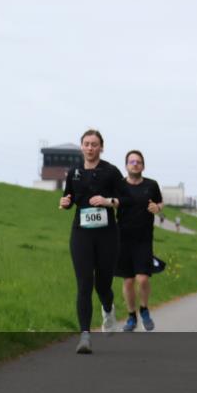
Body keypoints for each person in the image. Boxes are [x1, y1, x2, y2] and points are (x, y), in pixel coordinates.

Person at [59, 129, 131, 354]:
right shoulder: (74, 172)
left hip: (107, 234)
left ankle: (108, 309)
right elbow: (69, 198)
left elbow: (126, 198)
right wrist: (64, 202)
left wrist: (108, 201)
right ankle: (85, 337)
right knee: (84, 284)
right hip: (81, 232)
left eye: (94, 144)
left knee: (102, 284)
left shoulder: (111, 171)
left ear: (101, 147)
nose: (90, 148)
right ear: (82, 147)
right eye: (86, 144)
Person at [116, 150, 163, 332]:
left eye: (138, 161)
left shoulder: (151, 185)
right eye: (131, 161)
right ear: (126, 165)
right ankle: (131, 316)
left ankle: (144, 309)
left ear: (143, 165)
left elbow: (160, 203)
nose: (135, 164)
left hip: (143, 239)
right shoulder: (119, 185)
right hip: (123, 239)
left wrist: (157, 207)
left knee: (142, 279)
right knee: (128, 281)